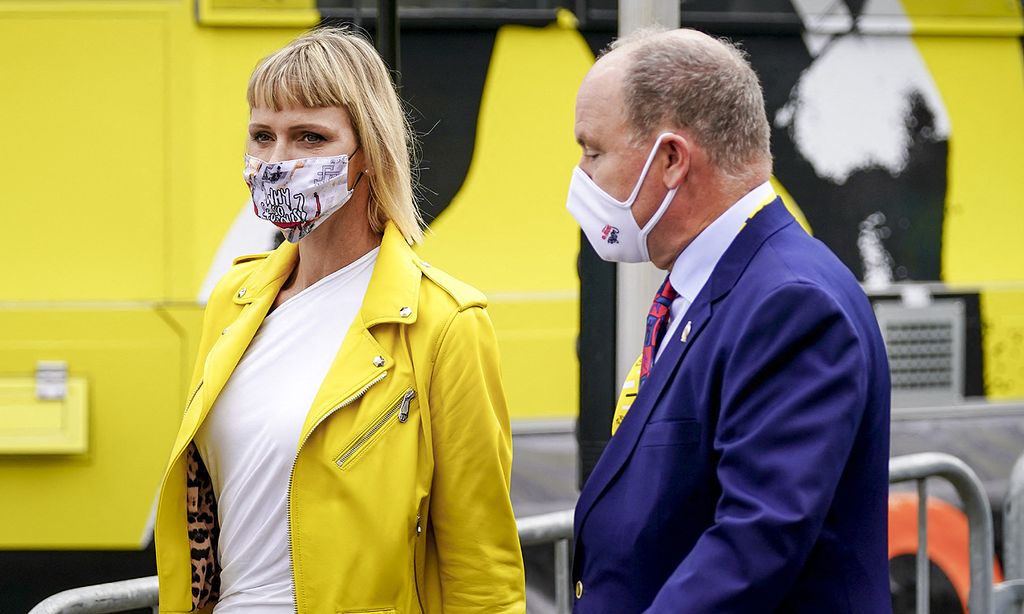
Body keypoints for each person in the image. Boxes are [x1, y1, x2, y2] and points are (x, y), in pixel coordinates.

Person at [153, 27, 525, 614]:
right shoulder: (235, 299)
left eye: (309, 136)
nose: (277, 161)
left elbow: (481, 564)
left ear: (369, 154)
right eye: (262, 135)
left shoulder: (445, 323)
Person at [566, 28, 892, 613]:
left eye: (593, 152)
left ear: (670, 160)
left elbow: (755, 543)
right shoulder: (709, 279)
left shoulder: (791, 304)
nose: (582, 177)